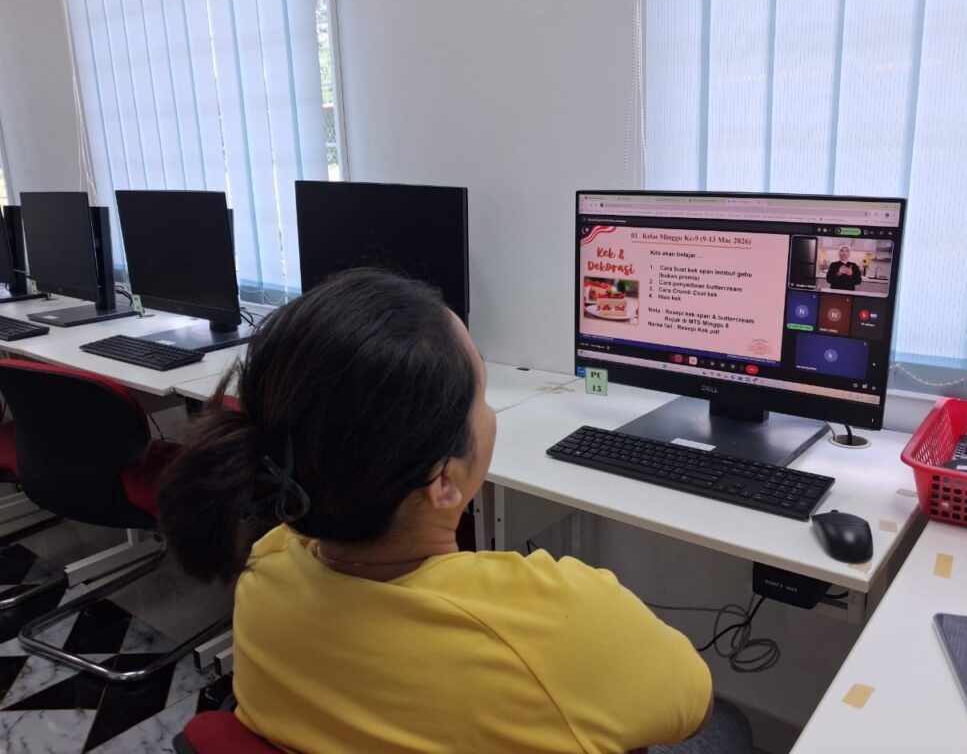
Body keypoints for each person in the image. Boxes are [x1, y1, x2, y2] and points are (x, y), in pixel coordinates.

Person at [158, 268, 748, 754]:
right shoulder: (559, 623)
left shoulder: (265, 567)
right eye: (482, 398)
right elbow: (693, 705)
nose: (489, 414)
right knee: (727, 726)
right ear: (443, 479)